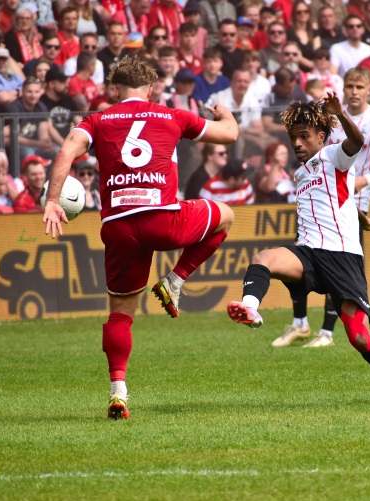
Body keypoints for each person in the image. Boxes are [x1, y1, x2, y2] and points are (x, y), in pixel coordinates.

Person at [42, 55, 239, 420]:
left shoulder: (97, 119)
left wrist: (52, 201)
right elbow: (229, 134)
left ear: (115, 90)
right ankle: (175, 281)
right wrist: (224, 113)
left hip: (117, 226)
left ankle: (119, 391)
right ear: (151, 90)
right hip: (161, 220)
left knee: (120, 315)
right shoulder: (171, 115)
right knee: (225, 217)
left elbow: (66, 151)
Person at [226, 94, 370, 404]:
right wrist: (363, 219)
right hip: (309, 254)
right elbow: (341, 200)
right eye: (293, 137)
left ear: (322, 137)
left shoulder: (334, 156)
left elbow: (358, 140)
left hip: (342, 259)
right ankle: (251, 309)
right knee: (263, 258)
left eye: (304, 136)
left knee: (359, 338)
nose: (297, 143)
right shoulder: (300, 174)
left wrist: (340, 113)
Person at [273, 68, 370, 350]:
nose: (353, 91)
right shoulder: (328, 120)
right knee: (302, 252)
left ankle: (328, 331)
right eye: (349, 86)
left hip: (354, 202)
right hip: (321, 195)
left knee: (336, 265)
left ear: (369, 89)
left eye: (359, 86)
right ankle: (300, 322)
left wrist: (366, 180)